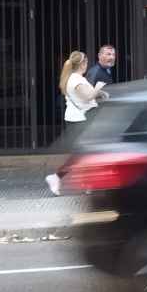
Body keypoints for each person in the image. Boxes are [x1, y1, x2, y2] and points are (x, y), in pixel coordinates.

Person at [45, 50, 101, 196]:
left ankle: (84, 182)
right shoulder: (76, 79)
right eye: (86, 62)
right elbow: (88, 96)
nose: (87, 65)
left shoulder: (73, 78)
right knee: (81, 154)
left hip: (78, 118)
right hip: (80, 119)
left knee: (84, 153)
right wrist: (98, 89)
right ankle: (57, 177)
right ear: (83, 63)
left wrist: (98, 93)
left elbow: (84, 96)